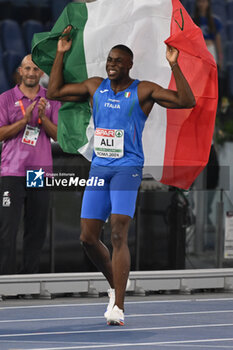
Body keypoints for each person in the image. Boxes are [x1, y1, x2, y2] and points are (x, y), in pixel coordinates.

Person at [47, 26, 195, 326]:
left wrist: (174, 64)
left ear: (129, 64)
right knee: (87, 238)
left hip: (127, 168)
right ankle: (116, 283)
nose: (112, 64)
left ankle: (119, 306)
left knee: (117, 233)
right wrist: (61, 54)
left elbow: (185, 100)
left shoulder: (143, 90)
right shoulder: (94, 86)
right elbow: (54, 92)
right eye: (109, 60)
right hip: (100, 168)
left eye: (118, 61)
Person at [0, 54, 61, 275]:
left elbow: (61, 137)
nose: (31, 73)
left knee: (36, 231)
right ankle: (4, 282)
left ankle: (30, 281)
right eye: (27, 68)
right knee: (7, 230)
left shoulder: (51, 99)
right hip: (12, 171)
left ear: (42, 73)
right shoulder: (6, 99)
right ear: (20, 71)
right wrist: (23, 121)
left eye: (35, 69)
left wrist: (43, 119)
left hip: (39, 172)